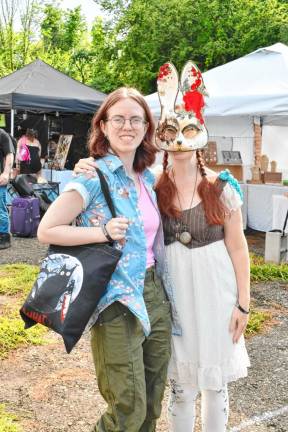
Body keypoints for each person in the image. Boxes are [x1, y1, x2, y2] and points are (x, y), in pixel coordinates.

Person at [74, 61, 250, 431]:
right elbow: (114, 178)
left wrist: (243, 303)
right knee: (180, 386)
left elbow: (238, 249)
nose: (181, 140)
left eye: (190, 129)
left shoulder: (221, 187)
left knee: (214, 385)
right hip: (173, 295)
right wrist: (88, 166)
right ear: (161, 136)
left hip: (216, 292)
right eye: (172, 130)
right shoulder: (150, 183)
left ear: (203, 131)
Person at [37, 87, 173, 432]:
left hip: (154, 294)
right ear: (104, 125)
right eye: (118, 119)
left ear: (146, 127)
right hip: (115, 300)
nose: (127, 126)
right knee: (128, 408)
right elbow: (47, 229)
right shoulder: (90, 176)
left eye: (135, 119)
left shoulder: (146, 178)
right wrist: (103, 232)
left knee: (152, 401)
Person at [0, 128, 14, 249]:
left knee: (0, 209)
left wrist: (6, 173)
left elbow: (9, 154)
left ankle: (4, 237)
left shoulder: (2, 134)